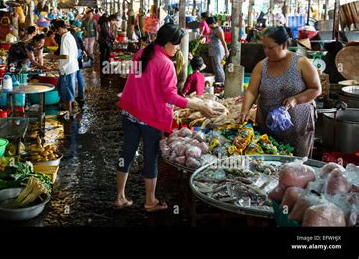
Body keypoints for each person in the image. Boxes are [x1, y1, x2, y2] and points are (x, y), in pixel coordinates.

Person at [115, 23, 224, 211]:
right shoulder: (165, 64)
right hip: (150, 119)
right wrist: (198, 104)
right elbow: (170, 96)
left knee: (126, 154)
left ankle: (119, 197)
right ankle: (150, 201)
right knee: (150, 158)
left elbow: (137, 83)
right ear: (166, 43)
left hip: (130, 113)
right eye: (176, 44)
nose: (177, 48)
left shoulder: (141, 54)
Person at [240, 27, 321, 157]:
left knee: (297, 165)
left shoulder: (301, 63)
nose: (266, 51)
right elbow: (251, 91)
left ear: (283, 44)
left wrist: (296, 99)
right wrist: (245, 110)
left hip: (297, 128)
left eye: (270, 47)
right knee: (270, 161)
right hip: (268, 127)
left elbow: (316, 89)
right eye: (264, 47)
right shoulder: (262, 65)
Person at [45, 20, 79, 120]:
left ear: (60, 28)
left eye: (57, 31)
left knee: (67, 91)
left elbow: (65, 56)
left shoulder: (65, 38)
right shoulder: (70, 36)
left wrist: (52, 57)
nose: (57, 33)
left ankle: (69, 113)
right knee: (66, 89)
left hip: (67, 68)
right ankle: (68, 111)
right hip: (71, 67)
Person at [207, 16, 229, 83]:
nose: (208, 26)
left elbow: (223, 41)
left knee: (219, 68)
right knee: (215, 68)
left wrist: (226, 50)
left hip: (218, 51)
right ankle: (217, 83)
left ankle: (222, 83)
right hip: (213, 51)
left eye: (209, 24)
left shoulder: (219, 30)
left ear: (213, 23)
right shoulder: (213, 29)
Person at [69, 27, 86, 101]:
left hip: (75, 56)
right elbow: (83, 47)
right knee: (79, 76)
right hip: (80, 55)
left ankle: (71, 97)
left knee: (73, 76)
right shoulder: (78, 37)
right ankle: (80, 95)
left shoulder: (70, 39)